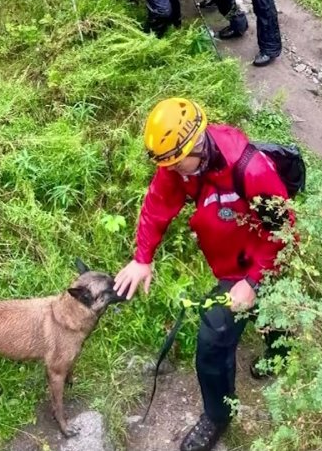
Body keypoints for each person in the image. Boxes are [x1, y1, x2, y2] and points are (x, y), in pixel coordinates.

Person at [114, 98, 294, 451]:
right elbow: (157, 205)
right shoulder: (182, 165)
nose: (175, 173)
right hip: (232, 261)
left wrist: (254, 281)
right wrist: (142, 258)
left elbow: (285, 233)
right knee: (270, 307)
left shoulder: (252, 171)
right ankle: (230, 402)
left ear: (198, 144)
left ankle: (222, 410)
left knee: (215, 339)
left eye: (179, 164)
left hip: (263, 258)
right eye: (170, 166)